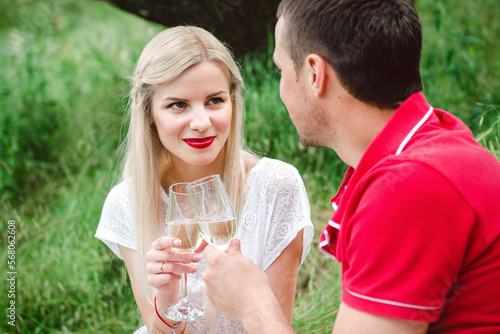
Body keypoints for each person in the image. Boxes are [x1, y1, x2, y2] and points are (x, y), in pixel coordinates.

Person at [202, 0, 500, 333]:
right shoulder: (432, 144)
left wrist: (254, 307)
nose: (282, 87)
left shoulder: (406, 187)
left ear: (315, 74)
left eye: (281, 70)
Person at [95, 26, 314, 334]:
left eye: (214, 100)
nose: (201, 123)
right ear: (149, 114)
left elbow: (274, 325)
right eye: (178, 105)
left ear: (233, 102)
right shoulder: (128, 203)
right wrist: (167, 296)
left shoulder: (276, 186)